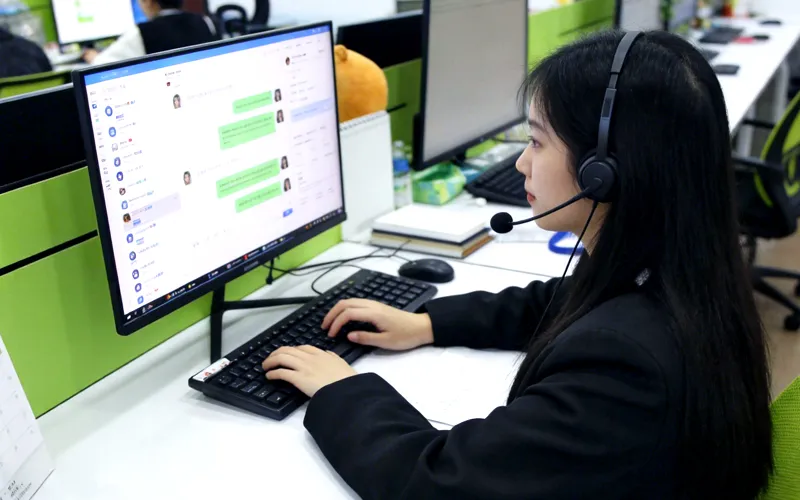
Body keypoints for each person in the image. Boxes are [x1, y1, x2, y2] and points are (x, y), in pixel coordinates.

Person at [260, 31, 773, 499]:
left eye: (536, 140)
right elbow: (565, 299)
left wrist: (339, 390)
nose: (522, 163)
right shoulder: (678, 269)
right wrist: (428, 322)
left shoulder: (627, 366)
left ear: (603, 172)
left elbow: (436, 483)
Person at [84, 0, 219, 65]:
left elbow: (101, 64)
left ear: (148, 2)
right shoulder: (204, 21)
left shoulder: (142, 32)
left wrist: (92, 56)